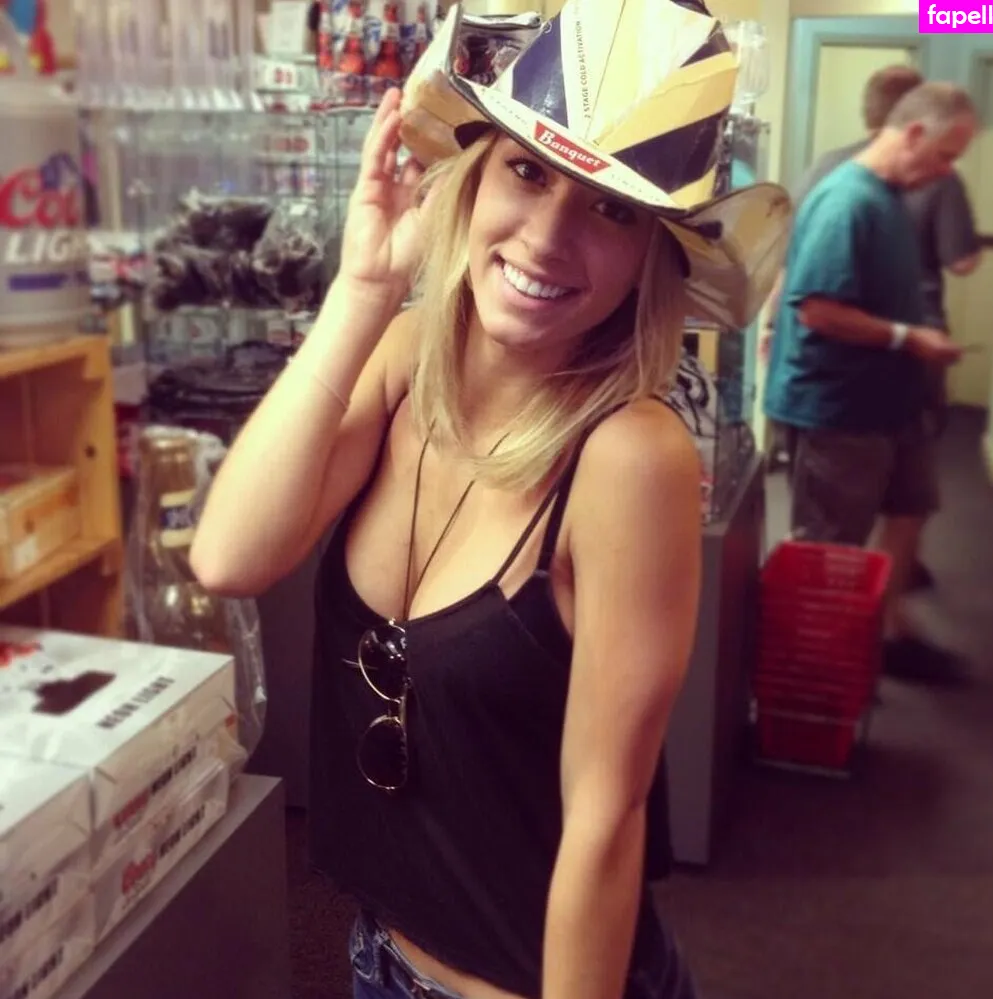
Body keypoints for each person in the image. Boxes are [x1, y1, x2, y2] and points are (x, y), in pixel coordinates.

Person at [190, 4, 790, 999]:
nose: (550, 238)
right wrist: (362, 290)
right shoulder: (400, 360)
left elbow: (606, 819)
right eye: (528, 171)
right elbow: (229, 556)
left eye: (613, 209)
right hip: (377, 956)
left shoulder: (628, 459)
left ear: (653, 250)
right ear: (470, 178)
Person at [763, 81, 978, 682]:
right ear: (914, 134)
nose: (947, 171)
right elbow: (817, 310)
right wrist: (911, 338)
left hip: (890, 404)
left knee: (911, 508)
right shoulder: (847, 201)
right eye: (945, 155)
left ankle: (883, 633)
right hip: (837, 410)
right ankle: (812, 678)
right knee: (829, 549)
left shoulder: (889, 198)